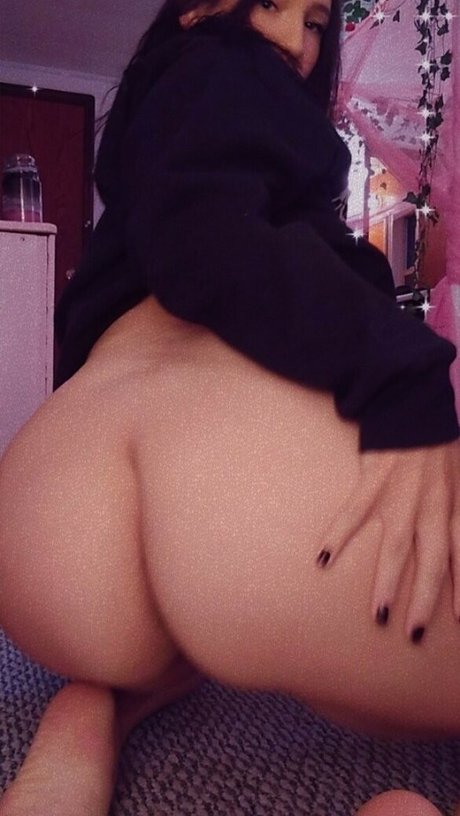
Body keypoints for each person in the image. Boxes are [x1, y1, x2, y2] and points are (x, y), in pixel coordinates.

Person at [0, 0, 459, 814]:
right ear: (202, 8)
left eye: (315, 23)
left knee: (294, 649)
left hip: (49, 516)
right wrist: (404, 376)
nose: (294, 42)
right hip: (222, 487)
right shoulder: (223, 68)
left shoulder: (155, 128)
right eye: (272, 4)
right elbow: (205, 234)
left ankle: (93, 717)